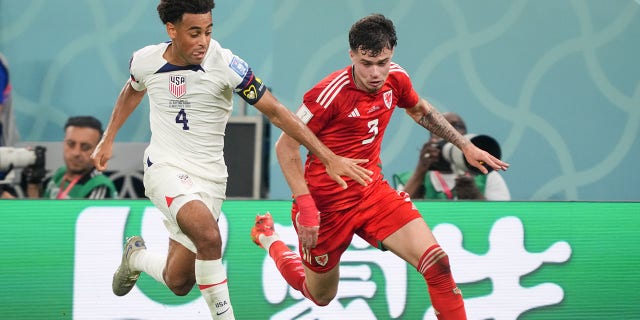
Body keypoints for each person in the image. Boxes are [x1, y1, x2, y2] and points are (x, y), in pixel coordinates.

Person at [90, 1, 372, 319]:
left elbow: (277, 112)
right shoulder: (145, 60)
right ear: (172, 30)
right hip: (165, 168)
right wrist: (108, 137)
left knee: (179, 280)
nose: (203, 41)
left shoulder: (226, 65)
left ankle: (135, 258)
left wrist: (326, 155)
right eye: (194, 33)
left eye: (208, 31)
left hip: (210, 179)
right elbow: (133, 89)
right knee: (210, 236)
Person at [250, 14, 509, 319]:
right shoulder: (327, 94)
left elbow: (420, 111)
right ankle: (268, 239)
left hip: (373, 194)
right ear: (352, 56)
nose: (376, 73)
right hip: (326, 207)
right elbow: (286, 146)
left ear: (392, 54)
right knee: (320, 295)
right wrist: (306, 207)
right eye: (366, 63)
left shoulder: (396, 79)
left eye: (382, 62)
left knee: (437, 263)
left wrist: (464, 144)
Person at [395, 112, 511, 200]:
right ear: (432, 139)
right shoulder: (410, 179)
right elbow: (395, 217)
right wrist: (420, 172)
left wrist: (476, 196)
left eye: (458, 126)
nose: (451, 133)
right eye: (441, 128)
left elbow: (505, 222)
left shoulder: (486, 175)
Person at [16, 116, 117, 199]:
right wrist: (33, 181)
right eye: (71, 144)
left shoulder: (99, 186)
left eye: (85, 147)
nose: (76, 153)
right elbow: (40, 210)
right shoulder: (61, 173)